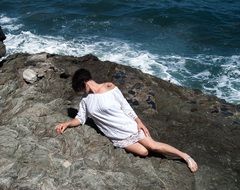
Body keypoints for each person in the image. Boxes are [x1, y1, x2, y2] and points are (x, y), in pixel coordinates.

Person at [55, 68, 198, 172]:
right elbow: (80, 118)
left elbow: (126, 106)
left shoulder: (110, 88)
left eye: (80, 87)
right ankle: (163, 150)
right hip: (118, 136)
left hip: (129, 126)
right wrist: (67, 123)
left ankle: (185, 156)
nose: (81, 91)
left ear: (84, 82)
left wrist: (139, 122)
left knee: (153, 146)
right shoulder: (85, 100)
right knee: (144, 152)